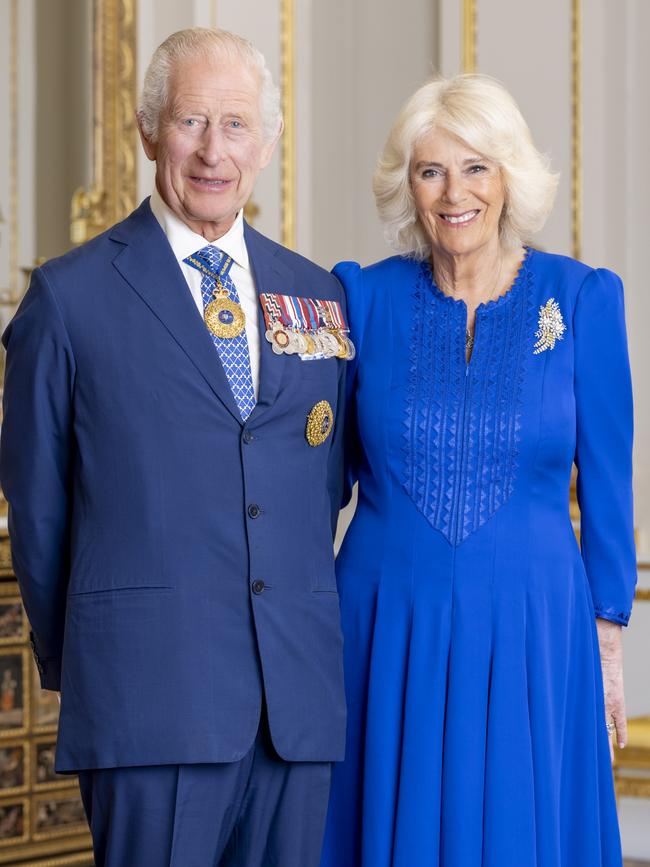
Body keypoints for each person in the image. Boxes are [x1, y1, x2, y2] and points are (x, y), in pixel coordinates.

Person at [1, 27, 351, 867]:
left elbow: (324, 482)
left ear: (265, 143)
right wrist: (89, 661)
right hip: (148, 698)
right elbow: (39, 512)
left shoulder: (318, 293)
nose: (212, 151)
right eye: (192, 121)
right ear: (148, 129)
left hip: (294, 705)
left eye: (235, 126)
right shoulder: (69, 297)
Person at [321, 74, 636, 867]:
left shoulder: (583, 297)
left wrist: (606, 648)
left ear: (509, 179)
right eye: (431, 171)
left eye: (476, 168)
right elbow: (316, 475)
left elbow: (607, 483)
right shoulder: (360, 297)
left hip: (535, 622)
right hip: (383, 617)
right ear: (408, 187)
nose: (454, 193)